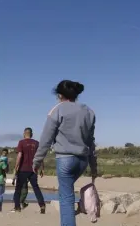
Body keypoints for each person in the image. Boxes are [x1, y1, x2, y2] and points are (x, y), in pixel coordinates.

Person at [33, 80, 97, 226]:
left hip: (65, 159)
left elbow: (46, 139)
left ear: (60, 95)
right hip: (82, 160)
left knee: (66, 198)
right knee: (66, 191)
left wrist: (37, 161)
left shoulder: (57, 110)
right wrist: (94, 167)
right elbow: (91, 142)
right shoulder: (89, 111)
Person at [12, 128, 45, 213]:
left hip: (23, 169)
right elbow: (40, 156)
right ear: (32, 134)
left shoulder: (21, 142)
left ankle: (17, 207)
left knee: (18, 188)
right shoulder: (36, 143)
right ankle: (42, 205)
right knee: (36, 188)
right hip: (33, 169)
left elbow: (19, 155)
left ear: (24, 134)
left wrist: (16, 167)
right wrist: (42, 168)